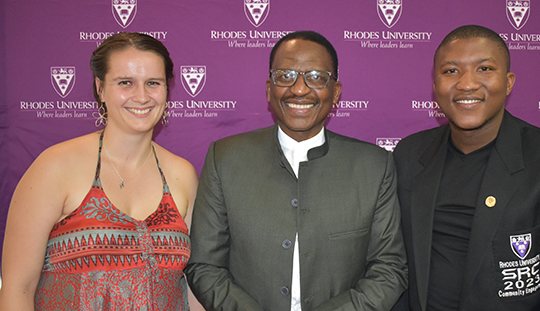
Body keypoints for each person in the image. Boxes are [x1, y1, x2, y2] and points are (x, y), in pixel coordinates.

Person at [391, 25, 540, 311]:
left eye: (484, 69)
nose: (467, 84)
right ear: (435, 86)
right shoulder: (409, 154)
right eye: (450, 71)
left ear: (508, 83)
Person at [186, 31, 408, 311]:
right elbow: (205, 266)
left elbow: (389, 269)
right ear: (269, 89)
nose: (300, 89)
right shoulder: (225, 158)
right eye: (285, 75)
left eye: (316, 77)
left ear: (335, 91)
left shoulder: (374, 166)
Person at [0, 32, 198, 310]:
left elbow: (187, 286)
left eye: (153, 83)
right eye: (125, 83)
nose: (141, 96)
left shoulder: (182, 175)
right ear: (101, 88)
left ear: (166, 90)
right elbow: (17, 289)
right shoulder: (56, 166)